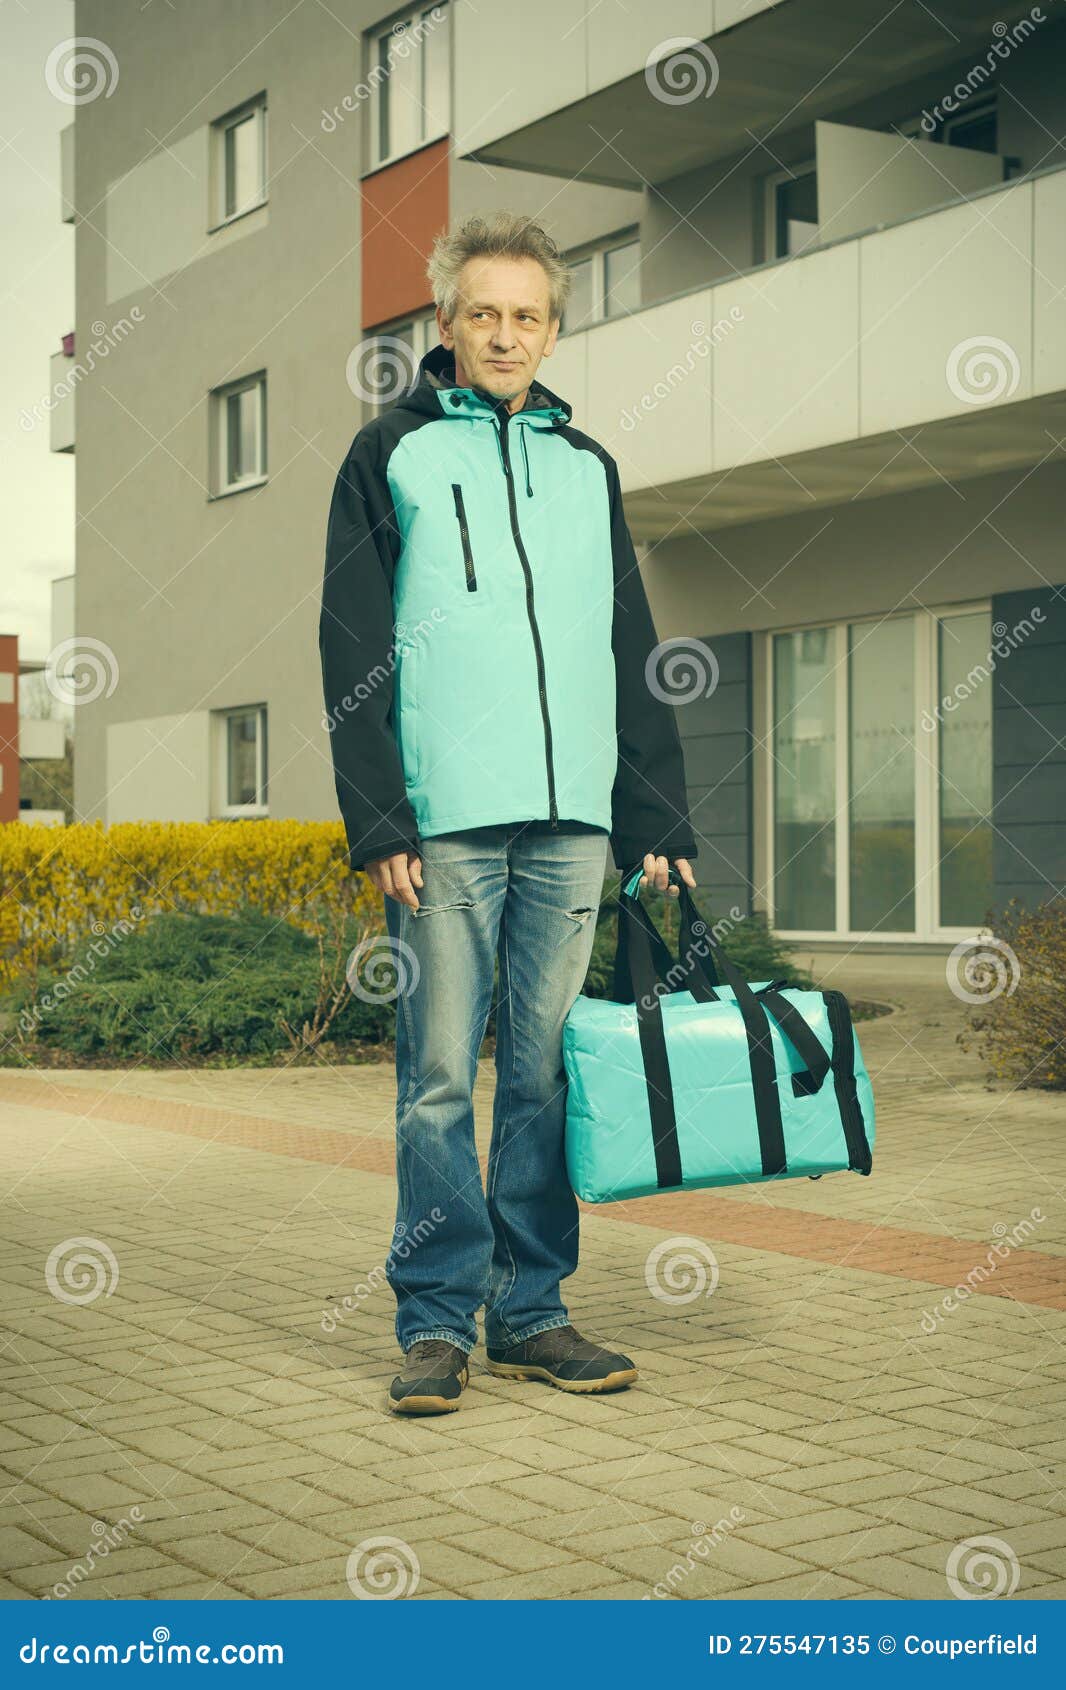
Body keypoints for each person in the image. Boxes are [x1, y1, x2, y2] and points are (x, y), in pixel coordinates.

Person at [319, 211, 697, 1415]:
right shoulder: (390, 453)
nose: (505, 333)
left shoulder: (586, 467)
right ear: (444, 323)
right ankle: (435, 1321)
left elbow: (626, 643)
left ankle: (531, 1310)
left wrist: (657, 818)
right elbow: (348, 644)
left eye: (526, 314)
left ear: (552, 326)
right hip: (443, 824)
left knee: (539, 1075)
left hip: (571, 821)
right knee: (437, 1075)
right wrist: (381, 817)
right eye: (482, 311)